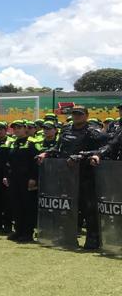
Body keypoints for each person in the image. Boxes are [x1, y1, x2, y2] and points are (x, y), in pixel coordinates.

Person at [38, 106, 107, 250]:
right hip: (66, 174)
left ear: (86, 116)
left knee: (88, 208)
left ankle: (93, 238)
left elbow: (103, 150)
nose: (76, 116)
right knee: (66, 206)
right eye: (74, 114)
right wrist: (46, 153)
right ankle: (66, 236)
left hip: (86, 174)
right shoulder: (66, 129)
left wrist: (82, 156)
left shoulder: (94, 132)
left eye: (80, 114)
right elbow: (59, 148)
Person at [4, 120, 39, 243]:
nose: (17, 130)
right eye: (15, 128)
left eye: (19, 127)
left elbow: (37, 163)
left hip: (27, 179)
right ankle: (18, 230)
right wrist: (7, 176)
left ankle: (27, 233)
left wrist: (34, 178)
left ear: (26, 129)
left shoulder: (33, 143)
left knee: (27, 206)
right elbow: (9, 162)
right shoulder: (13, 143)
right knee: (16, 205)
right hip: (14, 179)